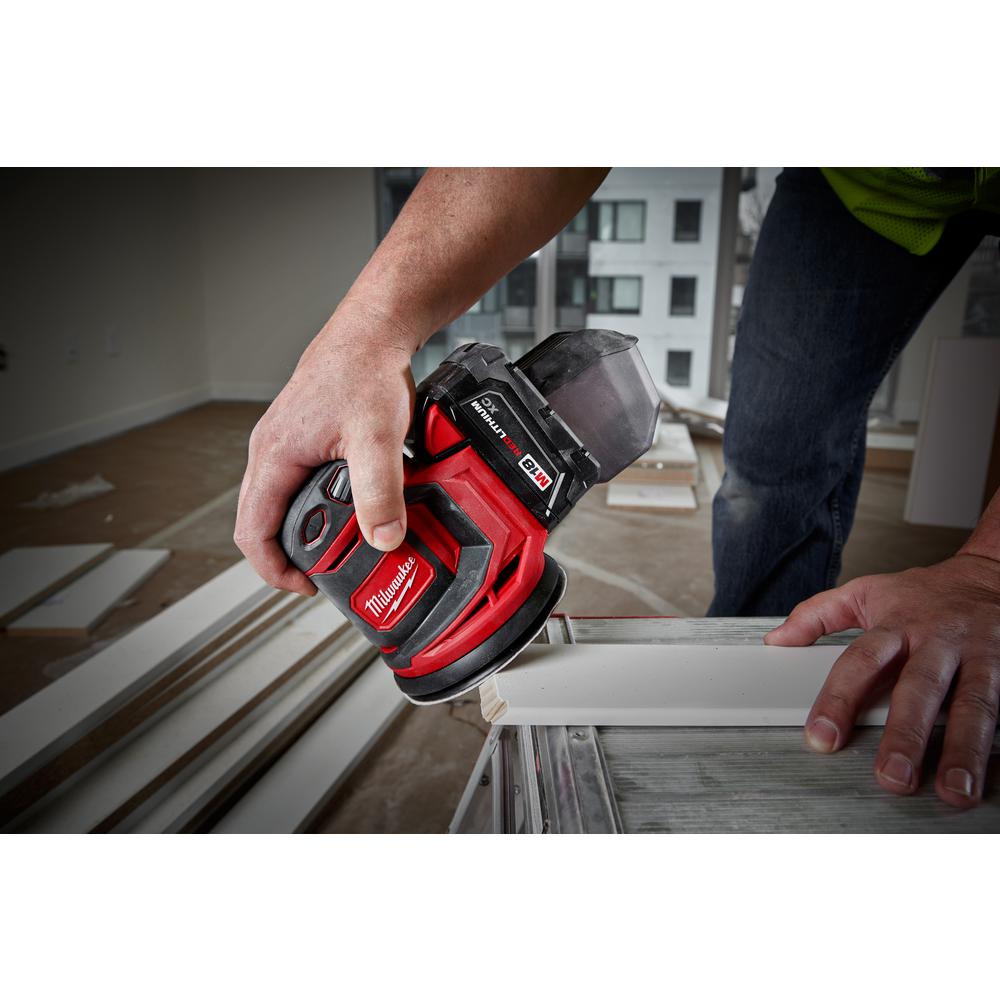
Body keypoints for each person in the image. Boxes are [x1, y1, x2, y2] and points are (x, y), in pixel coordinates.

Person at [234, 167, 1000, 809]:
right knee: (774, 449)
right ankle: (755, 664)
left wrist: (988, 573)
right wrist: (364, 334)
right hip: (862, 178)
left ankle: (766, 694)